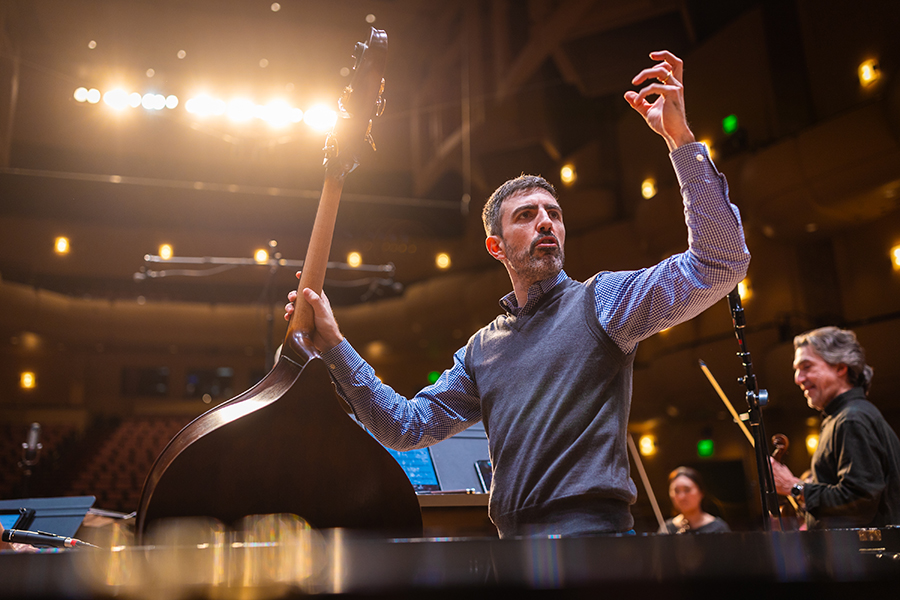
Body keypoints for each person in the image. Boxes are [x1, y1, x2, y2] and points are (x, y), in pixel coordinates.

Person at [285, 50, 750, 538]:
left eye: (554, 213)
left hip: (598, 543)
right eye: (525, 216)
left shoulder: (603, 302)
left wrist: (680, 141)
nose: (546, 221)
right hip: (514, 550)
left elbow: (720, 262)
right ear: (497, 247)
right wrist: (336, 347)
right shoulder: (482, 349)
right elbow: (407, 427)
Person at [770, 327, 900, 529]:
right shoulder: (845, 416)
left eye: (807, 367)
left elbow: (860, 502)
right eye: (797, 369)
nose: (798, 378)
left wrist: (794, 487)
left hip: (869, 558)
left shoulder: (851, 419)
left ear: (840, 368)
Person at [660, 467, 730, 534]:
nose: (681, 497)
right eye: (676, 491)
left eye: (687, 490)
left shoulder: (718, 528)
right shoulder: (667, 528)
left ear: (701, 493)